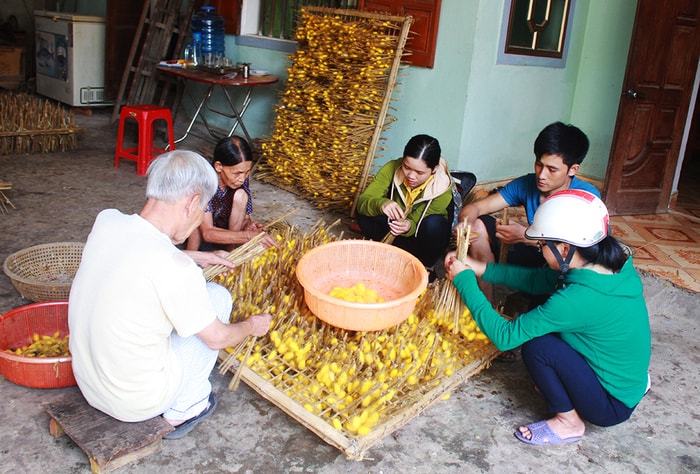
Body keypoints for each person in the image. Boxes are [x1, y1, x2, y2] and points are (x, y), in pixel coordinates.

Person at [69, 150, 272, 440]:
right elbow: (218, 338)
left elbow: (138, 251)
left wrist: (195, 256)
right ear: (191, 203)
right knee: (217, 296)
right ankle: (187, 407)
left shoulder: (107, 221)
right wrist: (253, 325)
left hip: (88, 383)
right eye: (201, 209)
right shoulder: (173, 267)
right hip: (136, 402)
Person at [444, 190, 651, 446]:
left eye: (543, 246)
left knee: (537, 345)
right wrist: (479, 268)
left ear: (565, 249)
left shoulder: (576, 300)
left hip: (611, 405)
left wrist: (465, 282)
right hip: (628, 381)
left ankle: (568, 422)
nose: (540, 251)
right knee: (544, 303)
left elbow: (505, 337)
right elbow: (536, 280)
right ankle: (576, 384)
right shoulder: (611, 264)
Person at [457, 121, 600, 303]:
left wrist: (527, 236)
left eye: (552, 169)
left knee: (543, 305)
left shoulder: (585, 197)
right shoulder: (527, 184)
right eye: (539, 164)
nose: (541, 175)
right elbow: (476, 207)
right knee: (478, 225)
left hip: (559, 266)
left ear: (573, 169)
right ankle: (488, 304)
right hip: (534, 254)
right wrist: (465, 223)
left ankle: (531, 298)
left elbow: (582, 252)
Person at [355, 134, 454, 277]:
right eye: (407, 167)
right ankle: (390, 254)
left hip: (422, 237)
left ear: (434, 169)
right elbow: (363, 202)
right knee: (365, 209)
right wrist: (382, 204)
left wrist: (408, 225)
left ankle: (426, 267)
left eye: (419, 172)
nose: (411, 176)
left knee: (435, 224)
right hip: (396, 231)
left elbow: (417, 221)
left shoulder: (443, 188)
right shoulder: (392, 167)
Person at [186, 135, 278, 251]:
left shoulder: (240, 179)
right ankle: (190, 254)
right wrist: (248, 236)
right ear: (218, 167)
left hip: (224, 232)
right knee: (197, 218)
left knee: (241, 195)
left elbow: (245, 217)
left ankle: (230, 251)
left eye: (246, 173)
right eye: (237, 173)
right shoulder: (204, 181)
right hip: (204, 232)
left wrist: (247, 225)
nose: (242, 178)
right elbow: (207, 233)